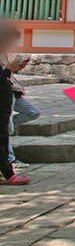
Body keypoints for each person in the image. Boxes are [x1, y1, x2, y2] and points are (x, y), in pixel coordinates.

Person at [0, 23, 30, 185]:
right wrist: (8, 70)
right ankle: (7, 173)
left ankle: (6, 171)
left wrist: (13, 69)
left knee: (4, 135)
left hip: (6, 98)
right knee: (2, 137)